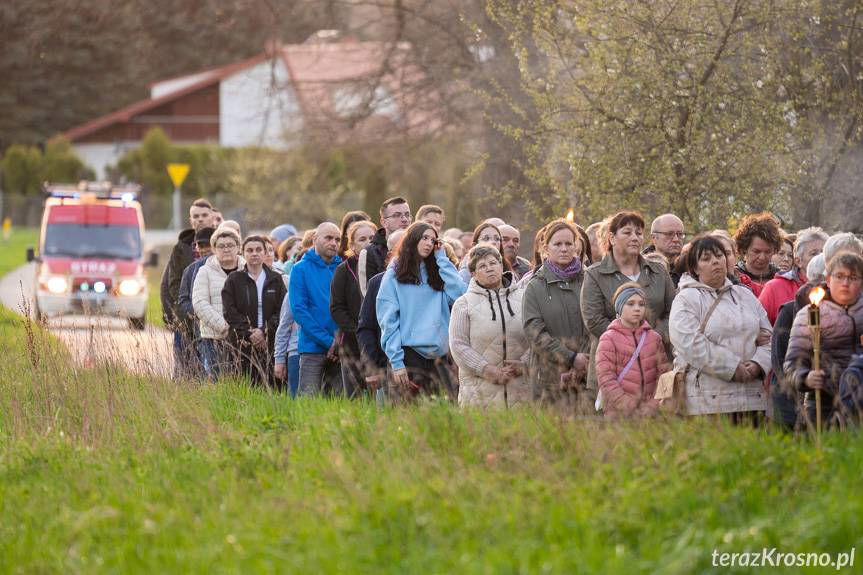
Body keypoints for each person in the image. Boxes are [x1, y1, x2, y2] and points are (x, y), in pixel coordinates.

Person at [670, 235, 772, 418]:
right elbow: (689, 343)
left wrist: (758, 363)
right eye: (706, 258)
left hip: (751, 397)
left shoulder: (745, 296)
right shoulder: (686, 299)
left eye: (719, 255)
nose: (715, 262)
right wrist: (732, 368)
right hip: (707, 402)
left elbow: (769, 338)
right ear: (695, 268)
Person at [581, 211, 675, 398]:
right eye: (627, 232)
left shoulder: (657, 272)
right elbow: (593, 320)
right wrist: (630, 340)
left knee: (659, 422)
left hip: (655, 365)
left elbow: (672, 313)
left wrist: (651, 339)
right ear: (612, 238)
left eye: (639, 233)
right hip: (613, 368)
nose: (635, 237)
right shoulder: (595, 275)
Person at [377, 222, 467, 401]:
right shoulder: (394, 274)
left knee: (443, 418)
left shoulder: (438, 272)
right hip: (408, 356)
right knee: (407, 419)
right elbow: (388, 321)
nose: (428, 243)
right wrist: (396, 362)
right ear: (412, 239)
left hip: (439, 358)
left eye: (432, 240)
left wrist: (442, 258)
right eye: (424, 238)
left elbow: (461, 294)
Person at [785, 251, 863, 428]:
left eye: (853, 277)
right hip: (824, 405)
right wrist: (805, 377)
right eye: (839, 276)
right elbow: (792, 363)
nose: (845, 283)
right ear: (828, 280)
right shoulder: (810, 314)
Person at [449, 244, 531, 407]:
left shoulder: (525, 298)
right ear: (473, 274)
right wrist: (486, 370)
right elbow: (458, 345)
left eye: (493, 263)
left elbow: (537, 335)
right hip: (479, 394)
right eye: (482, 266)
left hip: (522, 391)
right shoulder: (463, 304)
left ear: (501, 266)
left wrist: (525, 363)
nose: (489, 269)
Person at [522, 219, 591, 409]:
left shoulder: (590, 280)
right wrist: (570, 357)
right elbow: (534, 332)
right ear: (546, 248)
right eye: (558, 244)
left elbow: (597, 322)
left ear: (576, 247)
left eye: (569, 243)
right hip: (550, 379)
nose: (564, 249)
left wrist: (584, 358)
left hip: (589, 375)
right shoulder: (535, 286)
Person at [596, 283, 671, 418]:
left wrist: (652, 405)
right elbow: (606, 379)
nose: (637, 308)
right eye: (630, 304)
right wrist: (629, 407)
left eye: (641, 304)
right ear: (619, 307)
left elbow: (663, 374)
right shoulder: (608, 339)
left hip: (651, 416)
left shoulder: (654, 338)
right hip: (619, 416)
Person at [221, 235, 287, 388]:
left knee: (272, 387)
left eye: (258, 250)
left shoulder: (276, 279)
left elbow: (281, 310)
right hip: (241, 343)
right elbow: (229, 311)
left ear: (265, 253)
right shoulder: (234, 279)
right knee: (245, 387)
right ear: (243, 253)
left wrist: (264, 331)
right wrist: (249, 333)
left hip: (270, 343)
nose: (254, 253)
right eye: (249, 250)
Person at [160, 198, 215, 379]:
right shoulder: (182, 247)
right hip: (187, 317)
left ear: (213, 216)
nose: (200, 219)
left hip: (215, 314)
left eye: (204, 215)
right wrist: (182, 312)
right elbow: (171, 284)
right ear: (190, 220)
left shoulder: (224, 242)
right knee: (186, 367)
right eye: (196, 216)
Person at [290, 222, 343, 396]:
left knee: (340, 404)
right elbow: (299, 311)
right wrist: (328, 342)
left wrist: (340, 343)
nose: (334, 243)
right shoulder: (300, 269)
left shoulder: (343, 269)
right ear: (314, 239)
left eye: (337, 239)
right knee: (308, 402)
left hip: (341, 349)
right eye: (328, 238)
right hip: (312, 347)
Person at [330, 220, 378, 398]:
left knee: (378, 397)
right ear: (352, 245)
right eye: (362, 239)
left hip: (377, 342)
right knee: (355, 396)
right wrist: (357, 329)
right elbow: (336, 307)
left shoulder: (382, 266)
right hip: (351, 342)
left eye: (372, 238)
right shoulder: (343, 270)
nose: (367, 243)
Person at [357, 229, 405, 396]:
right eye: (401, 247)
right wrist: (372, 367)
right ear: (391, 253)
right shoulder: (377, 283)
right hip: (387, 366)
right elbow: (366, 328)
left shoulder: (429, 281)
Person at [192, 227, 244, 379]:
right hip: (214, 337)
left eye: (230, 245)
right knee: (218, 379)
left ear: (238, 247)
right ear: (214, 248)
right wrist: (225, 328)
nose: (226, 249)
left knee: (244, 379)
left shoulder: (247, 270)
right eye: (221, 246)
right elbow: (200, 303)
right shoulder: (205, 271)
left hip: (243, 338)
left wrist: (241, 329)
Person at [759, 227, 828, 324]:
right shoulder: (774, 288)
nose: (821, 258)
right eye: (814, 253)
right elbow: (760, 328)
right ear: (798, 261)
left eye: (824, 253)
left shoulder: (838, 287)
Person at [176, 226, 216, 376]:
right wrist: (201, 312)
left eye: (208, 245)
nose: (205, 249)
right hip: (200, 332)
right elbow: (183, 302)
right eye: (201, 245)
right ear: (196, 247)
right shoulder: (190, 270)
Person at [358, 196, 411, 295]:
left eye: (407, 215)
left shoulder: (420, 247)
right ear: (383, 222)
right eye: (397, 215)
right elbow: (368, 294)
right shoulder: (369, 253)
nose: (404, 219)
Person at [734, 212, 783, 295]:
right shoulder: (734, 277)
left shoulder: (781, 278)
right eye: (756, 251)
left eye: (768, 252)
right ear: (745, 248)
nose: (762, 257)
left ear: (775, 250)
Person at [647, 214, 686, 287]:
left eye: (680, 234)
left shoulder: (691, 268)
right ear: (654, 238)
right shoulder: (639, 267)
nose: (676, 239)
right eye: (669, 234)